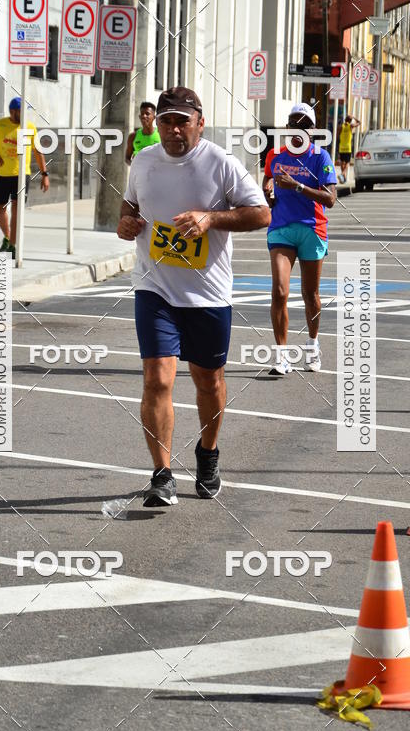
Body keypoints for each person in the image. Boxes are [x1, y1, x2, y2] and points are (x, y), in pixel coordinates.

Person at [117, 86, 270, 507]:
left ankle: (208, 452)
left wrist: (211, 218)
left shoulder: (221, 163)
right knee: (157, 378)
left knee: (209, 381)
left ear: (199, 123)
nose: (173, 128)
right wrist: (126, 224)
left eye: (182, 120)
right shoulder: (143, 161)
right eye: (166, 120)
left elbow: (261, 213)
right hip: (155, 288)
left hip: (207, 294)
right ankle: (162, 475)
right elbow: (130, 207)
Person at [263, 102, 337, 376]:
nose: (298, 128)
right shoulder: (275, 154)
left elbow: (330, 199)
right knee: (280, 291)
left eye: (304, 124)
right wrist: (268, 194)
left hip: (312, 229)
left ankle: (313, 344)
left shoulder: (320, 157)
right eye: (293, 123)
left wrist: (297, 186)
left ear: (313, 129)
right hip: (281, 227)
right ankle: (281, 356)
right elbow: (267, 184)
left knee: (310, 294)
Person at [0, 97, 50, 258]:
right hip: (1, 174)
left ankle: (13, 246)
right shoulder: (0, 124)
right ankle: (8, 238)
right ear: (13, 111)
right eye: (22, 111)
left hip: (21, 175)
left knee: (16, 209)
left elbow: (38, 151)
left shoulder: (29, 127)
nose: (25, 115)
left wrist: (45, 174)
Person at [338, 114, 360, 184]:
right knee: (347, 163)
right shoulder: (351, 126)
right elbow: (359, 123)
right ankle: (342, 174)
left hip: (341, 147)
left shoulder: (341, 126)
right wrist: (354, 117)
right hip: (348, 147)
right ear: (350, 120)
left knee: (342, 162)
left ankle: (343, 177)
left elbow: (338, 134)